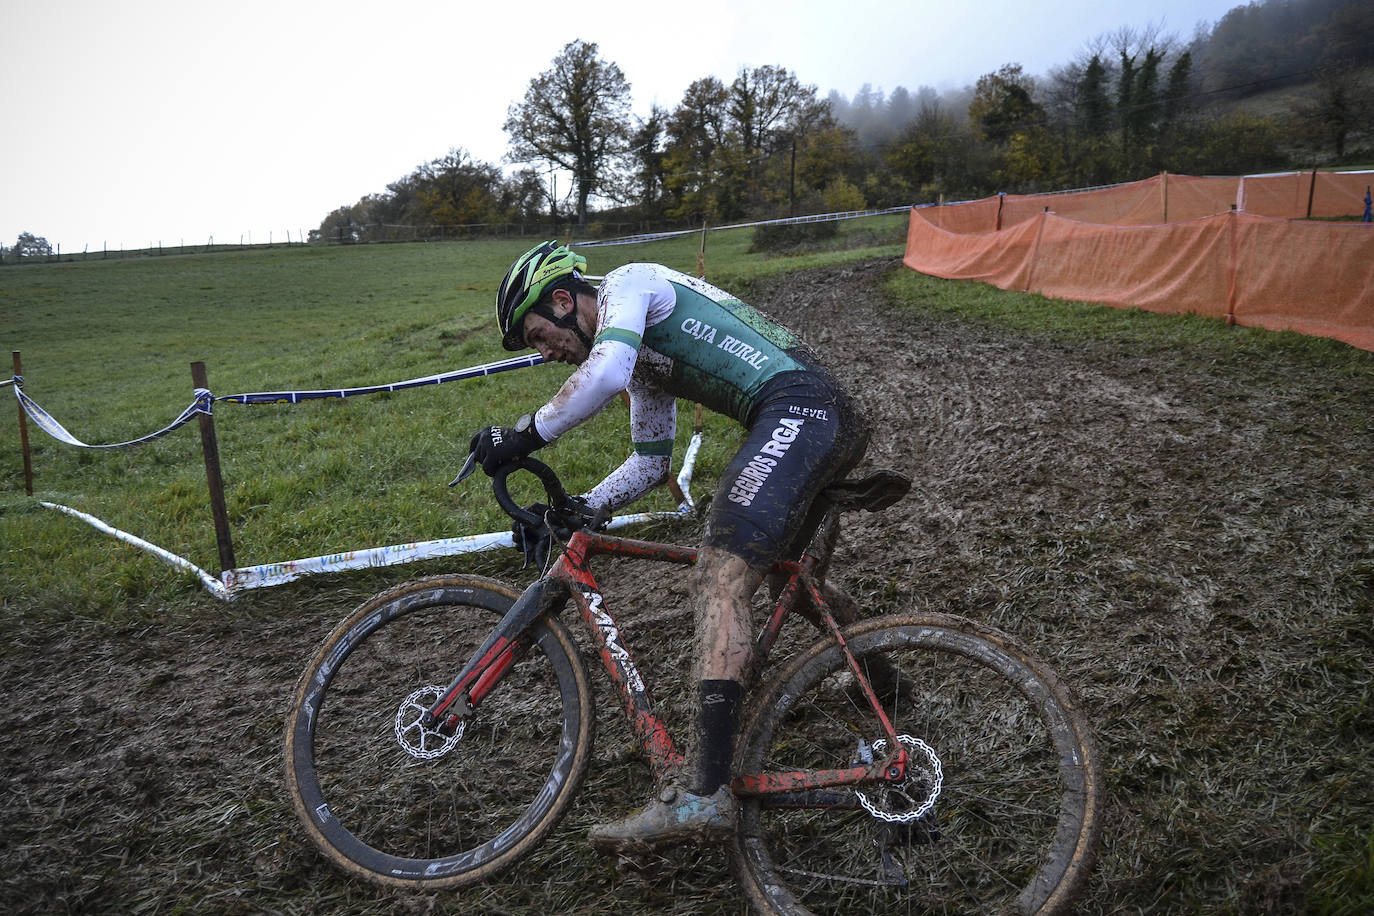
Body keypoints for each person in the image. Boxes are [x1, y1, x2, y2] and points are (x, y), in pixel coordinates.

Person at [469, 240, 870, 854]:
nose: (544, 352)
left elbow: (600, 372)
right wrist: (585, 507)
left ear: (562, 300)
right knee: (782, 573)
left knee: (719, 580)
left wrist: (522, 435)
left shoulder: (629, 284)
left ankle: (702, 794)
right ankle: (882, 676)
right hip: (817, 411)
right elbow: (652, 461)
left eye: (538, 335)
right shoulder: (637, 356)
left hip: (799, 410)